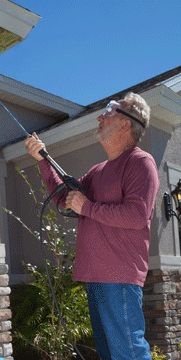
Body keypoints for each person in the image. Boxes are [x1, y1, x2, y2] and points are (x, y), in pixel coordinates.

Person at [25, 92, 159, 360]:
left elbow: (136, 215)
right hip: (95, 277)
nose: (100, 116)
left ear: (125, 124)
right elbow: (65, 198)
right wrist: (43, 161)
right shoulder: (97, 171)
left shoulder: (140, 163)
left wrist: (87, 207)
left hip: (119, 277)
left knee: (129, 354)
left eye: (110, 110)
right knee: (109, 354)